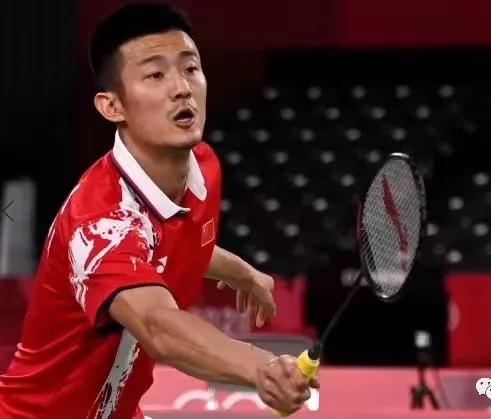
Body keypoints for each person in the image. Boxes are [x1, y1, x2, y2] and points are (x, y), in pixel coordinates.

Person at [0, 3, 316, 418]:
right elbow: (157, 325)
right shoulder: (100, 224)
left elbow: (173, 242)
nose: (182, 88)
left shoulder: (203, 167)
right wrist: (261, 368)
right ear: (112, 107)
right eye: (155, 75)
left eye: (190, 68)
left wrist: (241, 272)